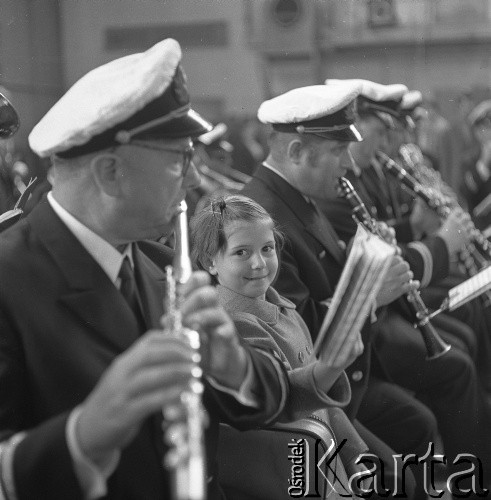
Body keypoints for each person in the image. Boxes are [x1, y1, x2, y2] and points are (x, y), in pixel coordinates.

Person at [0, 39, 290, 500]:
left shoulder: (158, 265)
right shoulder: (10, 279)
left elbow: (272, 397)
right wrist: (82, 434)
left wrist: (235, 367)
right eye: (180, 159)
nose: (195, 179)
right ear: (111, 172)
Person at [242, 83, 439, 500]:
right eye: (338, 152)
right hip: (307, 400)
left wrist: (367, 256)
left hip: (345, 380)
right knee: (398, 477)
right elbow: (300, 332)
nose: (349, 165)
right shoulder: (261, 217)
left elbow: (326, 275)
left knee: (418, 424)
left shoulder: (300, 197)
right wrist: (372, 293)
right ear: (295, 152)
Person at [190, 193, 373, 495]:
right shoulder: (234, 325)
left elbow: (325, 409)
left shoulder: (283, 307)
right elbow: (286, 402)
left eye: (267, 248)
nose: (259, 263)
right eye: (241, 253)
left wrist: (356, 455)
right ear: (211, 261)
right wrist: (330, 367)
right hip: (293, 466)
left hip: (322, 448)